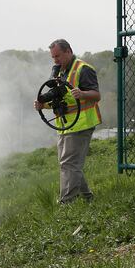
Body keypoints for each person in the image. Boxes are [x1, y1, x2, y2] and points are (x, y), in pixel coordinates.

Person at [34, 39, 102, 204]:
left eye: (58, 56)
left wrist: (83, 94)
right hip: (65, 126)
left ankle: (66, 202)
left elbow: (96, 95)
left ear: (68, 51)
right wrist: (43, 105)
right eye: (53, 57)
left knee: (68, 163)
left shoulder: (83, 69)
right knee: (70, 164)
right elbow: (60, 100)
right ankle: (87, 198)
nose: (55, 60)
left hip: (82, 124)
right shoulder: (58, 73)